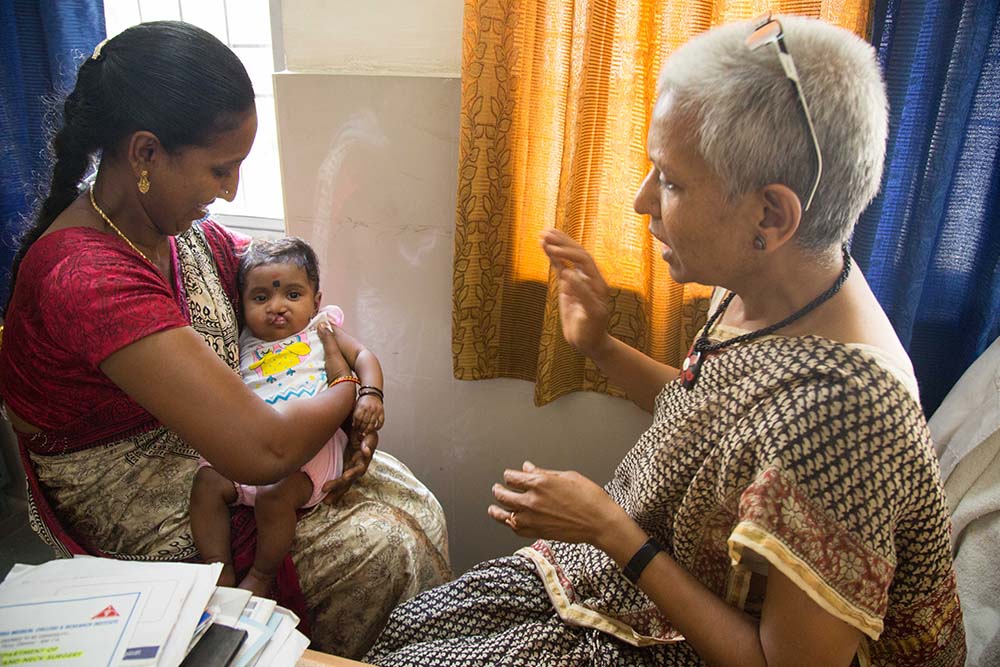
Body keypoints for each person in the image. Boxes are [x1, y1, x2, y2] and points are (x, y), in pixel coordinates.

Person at [366, 14, 965, 667]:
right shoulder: (767, 279)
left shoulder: (845, 415)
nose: (641, 200)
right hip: (641, 571)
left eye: (673, 181)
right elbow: (713, 420)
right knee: (410, 627)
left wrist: (610, 530)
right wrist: (599, 345)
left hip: (689, 630)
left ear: (771, 214)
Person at [0, 21, 449, 658]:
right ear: (146, 153)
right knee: (379, 546)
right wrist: (351, 389)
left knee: (406, 501)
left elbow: (285, 298)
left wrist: (358, 384)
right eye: (220, 169)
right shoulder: (87, 277)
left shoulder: (179, 233)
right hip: (137, 487)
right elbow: (261, 453)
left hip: (217, 438)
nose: (231, 190)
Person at [190, 236, 387, 596]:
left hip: (309, 450)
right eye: (261, 298)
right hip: (251, 443)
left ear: (316, 301)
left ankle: (263, 575)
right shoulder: (244, 338)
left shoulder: (321, 329)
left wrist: (371, 395)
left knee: (274, 496)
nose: (277, 307)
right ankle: (216, 568)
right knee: (206, 485)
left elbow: (363, 357)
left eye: (292, 295)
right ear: (243, 303)